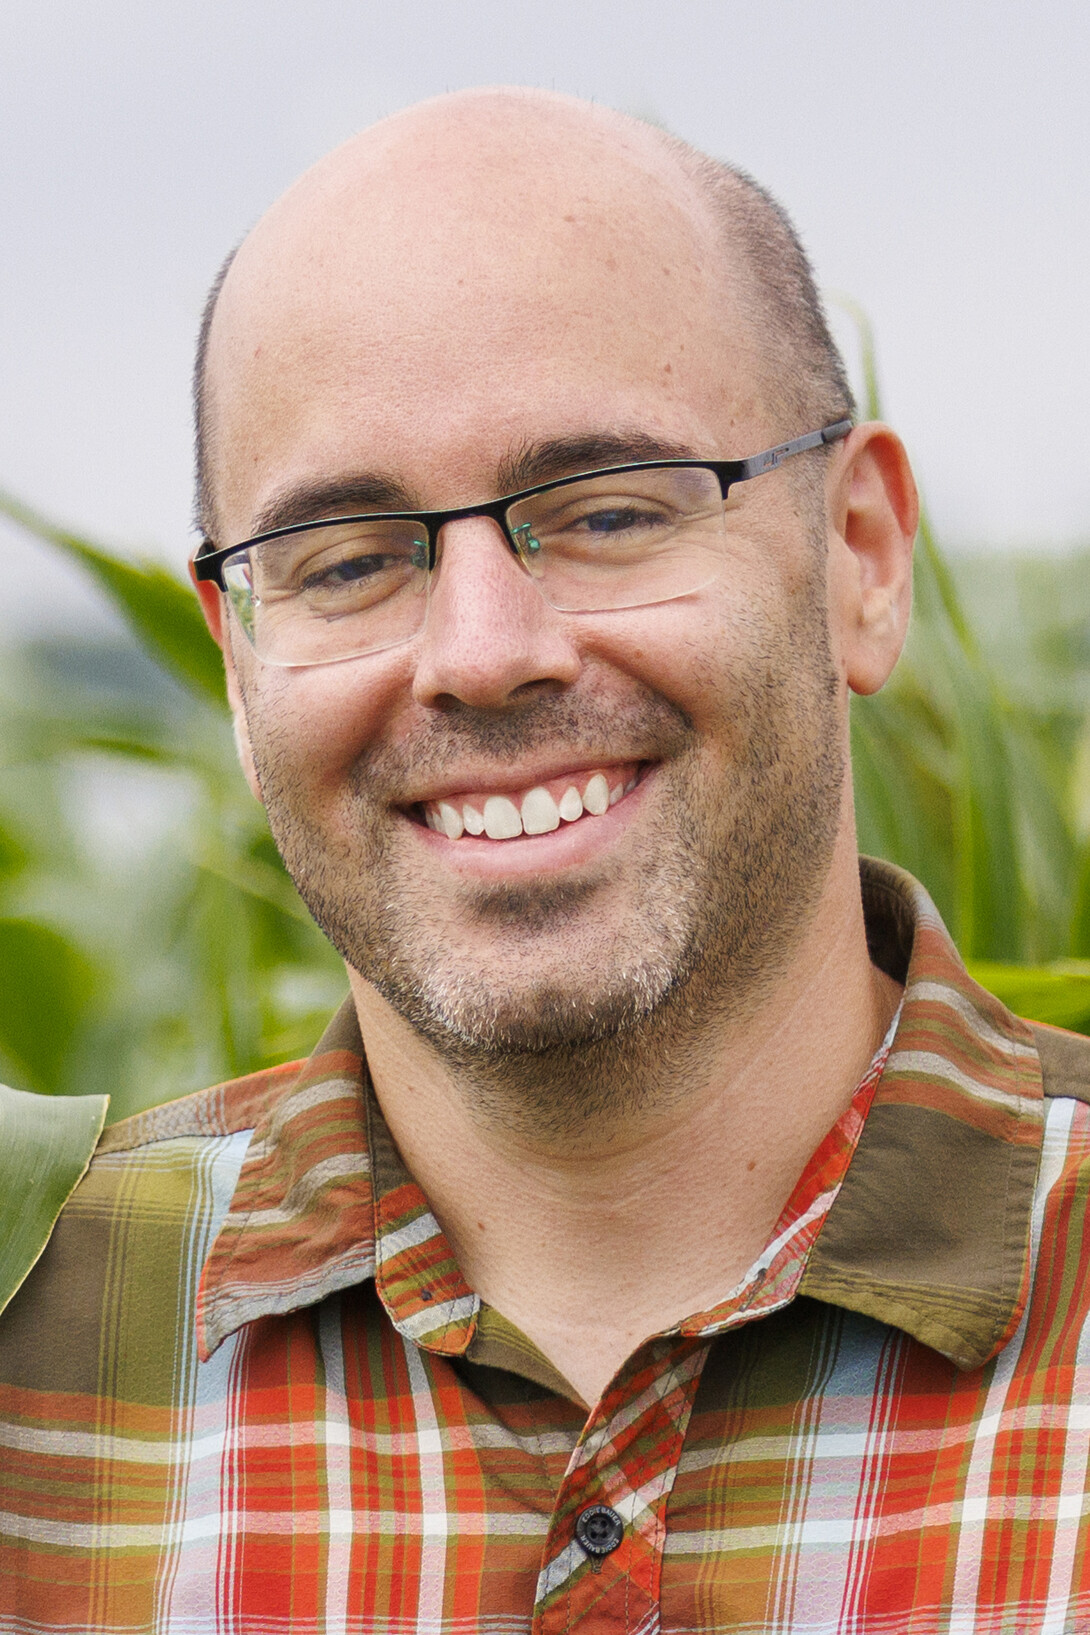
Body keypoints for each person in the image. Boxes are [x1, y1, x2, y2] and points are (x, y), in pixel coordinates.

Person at [2, 86, 1089, 1635]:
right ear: (237, 665)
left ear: (856, 557)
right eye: (348, 559)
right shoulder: (25, 1341)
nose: (482, 652)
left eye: (606, 513)